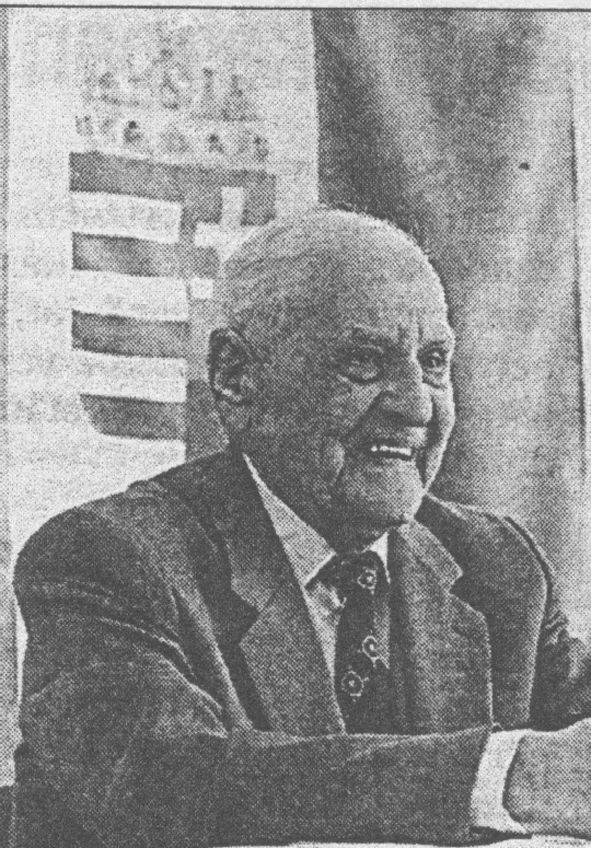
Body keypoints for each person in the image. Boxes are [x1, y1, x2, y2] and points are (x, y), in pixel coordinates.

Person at [12, 208, 591, 848]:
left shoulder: (499, 566)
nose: (416, 405)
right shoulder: (109, 557)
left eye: (433, 362)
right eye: (364, 362)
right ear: (236, 376)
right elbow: (163, 784)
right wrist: (509, 776)